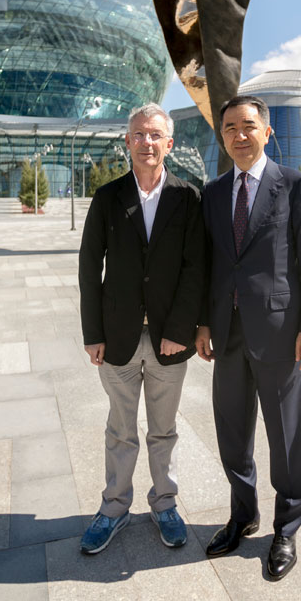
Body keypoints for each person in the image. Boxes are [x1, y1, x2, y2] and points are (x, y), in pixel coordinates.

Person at [196, 96, 301, 580]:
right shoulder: (212, 194)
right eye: (229, 127)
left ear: (266, 132)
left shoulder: (293, 186)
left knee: (286, 438)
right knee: (232, 435)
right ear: (223, 136)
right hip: (226, 335)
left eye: (248, 126)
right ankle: (243, 515)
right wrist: (204, 324)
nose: (238, 134)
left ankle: (287, 526)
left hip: (280, 335)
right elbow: (212, 266)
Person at [78, 103, 205, 554]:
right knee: (120, 429)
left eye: (156, 135)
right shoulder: (108, 197)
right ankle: (113, 508)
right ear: (127, 142)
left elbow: (196, 269)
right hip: (117, 337)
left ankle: (164, 504)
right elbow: (89, 265)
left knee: (163, 430)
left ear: (169, 144)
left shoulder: (187, 197)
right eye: (139, 135)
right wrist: (93, 332)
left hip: (170, 340)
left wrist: (181, 328)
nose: (147, 142)